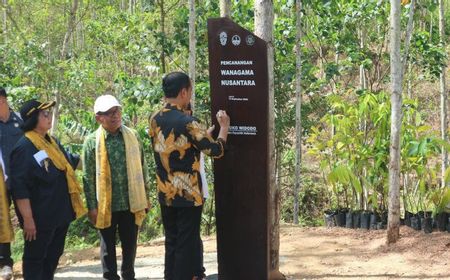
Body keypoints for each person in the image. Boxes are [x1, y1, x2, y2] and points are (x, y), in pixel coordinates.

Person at [149, 72, 230, 280]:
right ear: (184, 92)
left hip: (166, 191)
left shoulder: (154, 119)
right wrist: (224, 129)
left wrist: (202, 136)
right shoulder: (188, 121)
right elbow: (216, 151)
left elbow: (173, 147)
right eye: (190, 91)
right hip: (187, 193)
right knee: (186, 243)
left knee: (172, 242)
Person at [9, 99, 86, 280]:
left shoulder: (52, 142)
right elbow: (20, 189)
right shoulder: (24, 148)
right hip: (39, 219)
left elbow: (71, 162)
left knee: (52, 257)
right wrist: (28, 220)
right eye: (45, 114)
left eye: (49, 113)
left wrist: (98, 160)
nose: (49, 116)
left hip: (60, 215)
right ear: (33, 118)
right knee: (35, 260)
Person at [82, 94, 150, 280]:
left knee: (130, 244)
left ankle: (128, 275)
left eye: (117, 111)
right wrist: (92, 207)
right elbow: (88, 177)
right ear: (98, 118)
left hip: (130, 200)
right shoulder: (91, 142)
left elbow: (142, 168)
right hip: (106, 204)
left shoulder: (132, 136)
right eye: (109, 112)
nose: (115, 115)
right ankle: (110, 276)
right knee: (107, 246)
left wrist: (146, 197)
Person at [0, 87, 23, 280]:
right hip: (1, 185)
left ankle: (35, 257)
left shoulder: (20, 121)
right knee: (1, 221)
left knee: (29, 218)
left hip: (23, 181)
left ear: (4, 100)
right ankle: (5, 262)